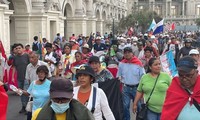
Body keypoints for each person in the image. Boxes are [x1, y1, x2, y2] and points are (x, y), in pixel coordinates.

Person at [117, 47, 145, 120]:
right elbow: (118, 75)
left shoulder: (138, 63)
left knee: (139, 106)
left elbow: (143, 76)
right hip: (125, 88)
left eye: (129, 52)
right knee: (125, 106)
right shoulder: (121, 63)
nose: (127, 54)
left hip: (137, 88)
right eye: (125, 53)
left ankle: (138, 118)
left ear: (132, 54)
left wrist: (142, 88)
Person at [13, 43, 30, 114]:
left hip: (26, 78)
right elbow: (14, 67)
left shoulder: (27, 56)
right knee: (20, 93)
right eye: (16, 48)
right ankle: (23, 106)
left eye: (19, 48)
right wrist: (13, 77)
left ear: (23, 49)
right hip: (19, 78)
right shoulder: (15, 57)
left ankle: (28, 107)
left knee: (26, 92)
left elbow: (30, 65)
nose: (18, 49)